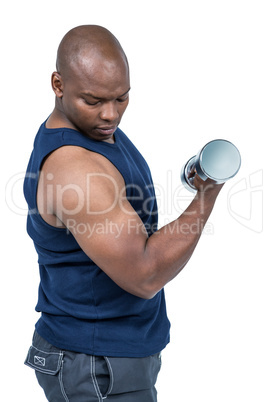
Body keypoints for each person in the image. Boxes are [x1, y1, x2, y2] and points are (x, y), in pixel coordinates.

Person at [24, 25, 223, 402]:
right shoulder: (76, 170)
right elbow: (145, 274)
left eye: (121, 98)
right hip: (96, 364)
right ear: (58, 84)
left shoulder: (93, 130)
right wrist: (208, 192)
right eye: (94, 100)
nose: (110, 114)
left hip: (111, 355)